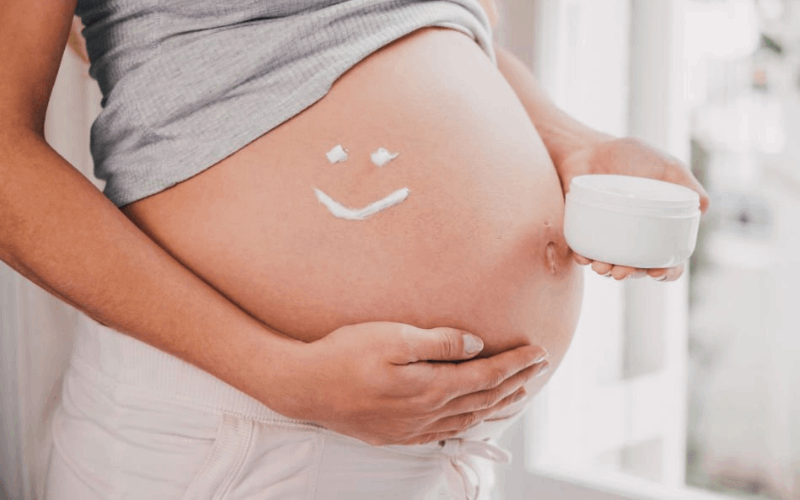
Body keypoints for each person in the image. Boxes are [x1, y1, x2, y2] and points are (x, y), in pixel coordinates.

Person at [0, 0, 709, 498]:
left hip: (437, 457)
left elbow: (438, 29)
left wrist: (574, 142)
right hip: (237, 430)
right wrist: (276, 372)